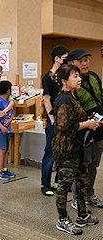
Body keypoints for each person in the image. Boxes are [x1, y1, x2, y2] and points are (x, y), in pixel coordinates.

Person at [53, 64, 99, 235]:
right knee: (64, 186)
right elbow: (63, 126)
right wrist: (86, 124)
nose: (79, 79)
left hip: (77, 148)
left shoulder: (73, 96)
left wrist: (89, 120)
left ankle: (82, 215)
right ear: (64, 81)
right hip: (66, 149)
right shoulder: (63, 99)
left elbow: (75, 119)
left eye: (79, 76)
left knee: (82, 182)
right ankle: (62, 220)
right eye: (75, 76)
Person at [67, 48, 103, 209]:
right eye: (80, 61)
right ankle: (77, 198)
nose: (84, 63)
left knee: (94, 165)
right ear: (71, 63)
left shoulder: (94, 76)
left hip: (99, 128)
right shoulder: (69, 83)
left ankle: (89, 194)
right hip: (83, 130)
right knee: (82, 166)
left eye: (86, 60)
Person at [41, 46, 70, 196]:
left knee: (63, 153)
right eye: (65, 59)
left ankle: (59, 182)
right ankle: (45, 184)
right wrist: (51, 117)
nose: (67, 62)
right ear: (57, 58)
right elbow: (46, 99)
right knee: (50, 153)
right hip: (54, 121)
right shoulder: (48, 77)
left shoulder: (64, 76)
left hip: (65, 120)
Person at [0, 81, 15, 180]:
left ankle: (5, 169)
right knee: (1, 149)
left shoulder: (8, 102)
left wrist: (9, 121)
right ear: (9, 91)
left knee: (5, 150)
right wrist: (2, 127)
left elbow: (12, 114)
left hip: (7, 129)